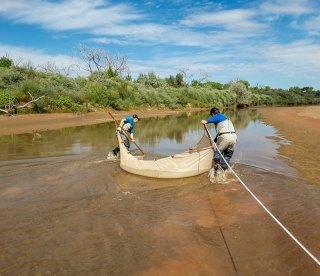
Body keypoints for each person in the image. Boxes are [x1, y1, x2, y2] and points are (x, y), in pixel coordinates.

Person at [201, 107, 237, 171]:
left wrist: (205, 121)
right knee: (228, 155)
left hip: (225, 137)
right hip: (234, 137)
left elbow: (212, 120)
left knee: (217, 151)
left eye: (212, 115)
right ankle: (224, 170)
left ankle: (216, 164)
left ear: (213, 114)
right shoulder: (226, 118)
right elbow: (220, 135)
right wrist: (214, 141)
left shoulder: (218, 116)